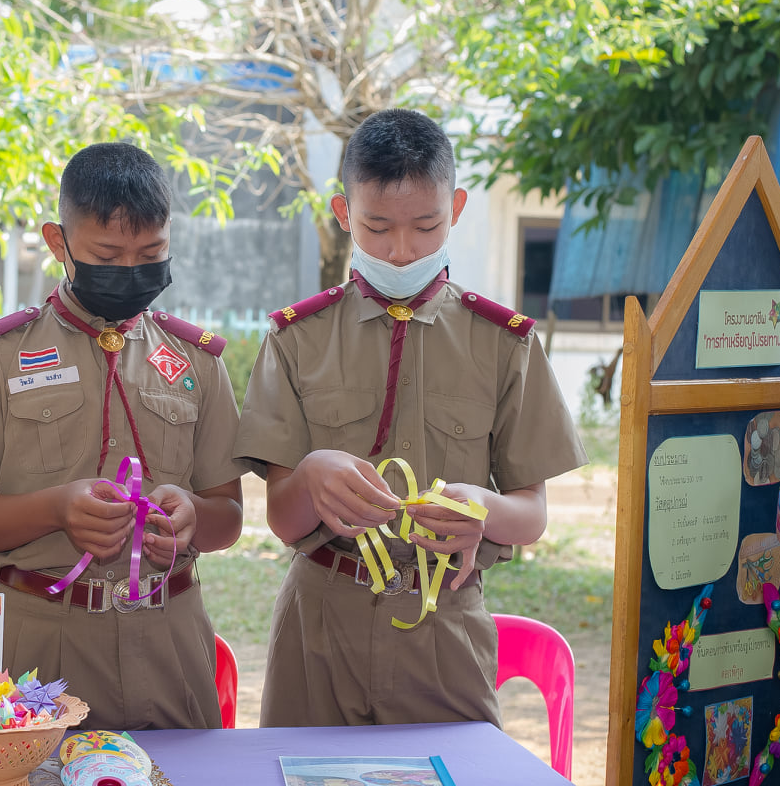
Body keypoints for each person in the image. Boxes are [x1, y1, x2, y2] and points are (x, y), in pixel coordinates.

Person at [234, 109, 586, 727]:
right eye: (376, 227)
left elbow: (531, 513)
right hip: (320, 626)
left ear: (456, 208)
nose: (401, 252)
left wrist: (485, 509)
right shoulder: (297, 338)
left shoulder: (503, 342)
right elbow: (283, 520)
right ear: (344, 213)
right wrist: (310, 477)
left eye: (426, 227)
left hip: (444, 621)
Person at [0, 141, 244, 730]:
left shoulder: (197, 361)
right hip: (42, 642)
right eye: (107, 254)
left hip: (170, 637)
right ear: (59, 243)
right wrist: (55, 509)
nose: (131, 270)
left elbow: (228, 516)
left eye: (151, 253)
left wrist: (191, 517)